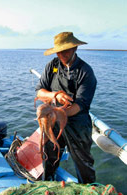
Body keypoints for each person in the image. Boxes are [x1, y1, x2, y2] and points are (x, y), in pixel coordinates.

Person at [35, 32, 97, 184]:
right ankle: (48, 181)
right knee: (50, 155)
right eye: (59, 50)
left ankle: (88, 188)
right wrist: (54, 96)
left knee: (83, 163)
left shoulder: (86, 72)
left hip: (78, 123)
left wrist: (59, 113)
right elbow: (40, 91)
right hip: (52, 121)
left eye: (66, 50)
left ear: (75, 48)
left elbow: (80, 104)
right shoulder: (52, 66)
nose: (61, 54)